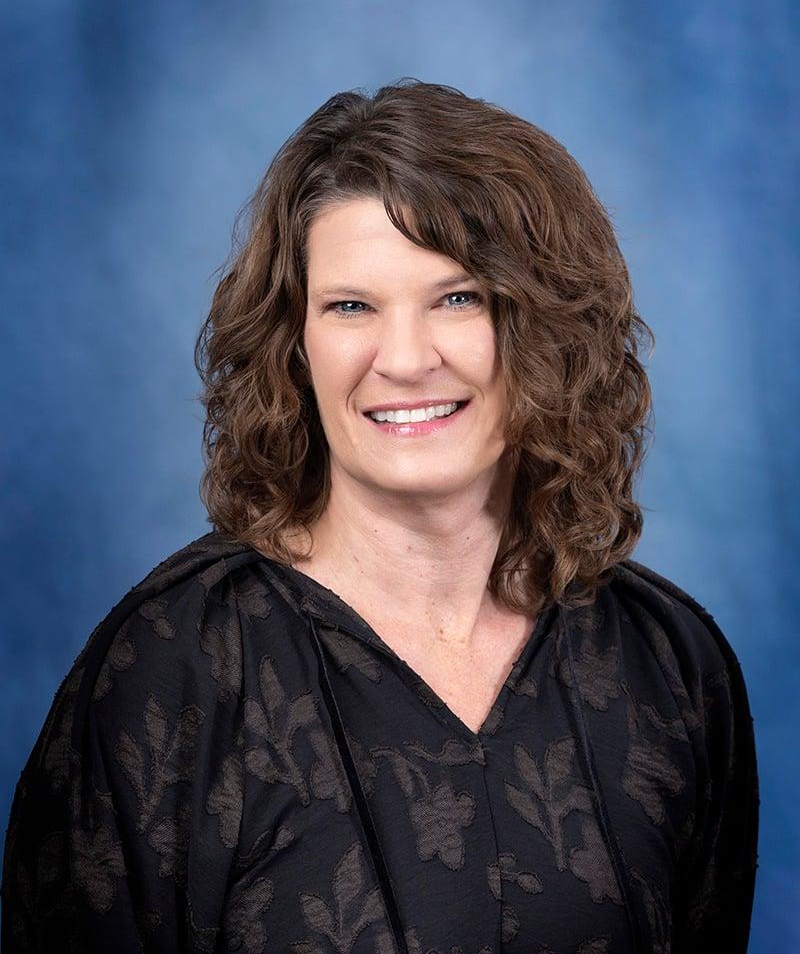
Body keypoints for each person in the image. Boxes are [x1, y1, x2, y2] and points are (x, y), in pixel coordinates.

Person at [1, 79, 759, 953]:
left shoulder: (668, 664)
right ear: (295, 343)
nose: (403, 360)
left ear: (550, 330)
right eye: (351, 306)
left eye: (460, 297)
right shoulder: (171, 670)